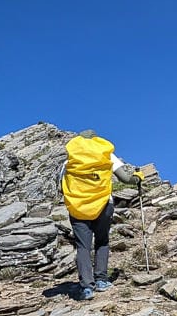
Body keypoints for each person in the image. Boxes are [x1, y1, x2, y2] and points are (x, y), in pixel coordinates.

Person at [58, 129, 143, 301]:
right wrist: (138, 177)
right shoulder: (107, 155)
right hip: (104, 204)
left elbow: (62, 186)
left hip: (79, 208)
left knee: (83, 246)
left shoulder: (70, 160)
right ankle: (102, 280)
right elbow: (126, 179)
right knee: (102, 241)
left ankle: (87, 287)